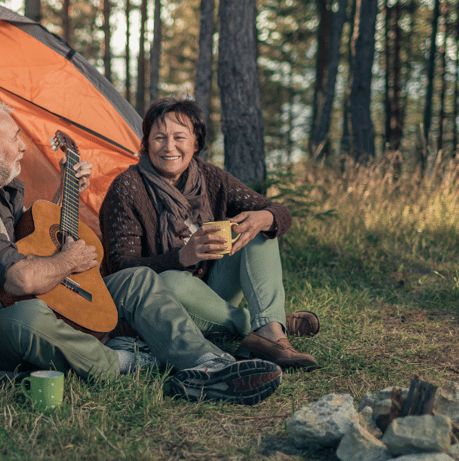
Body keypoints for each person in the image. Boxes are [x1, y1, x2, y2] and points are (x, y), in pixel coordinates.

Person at [0, 101, 283, 406]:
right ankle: (126, 361)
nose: (22, 148)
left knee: (137, 279)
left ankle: (207, 363)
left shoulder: (0, 192)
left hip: (33, 296)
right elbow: (18, 279)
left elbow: (31, 244)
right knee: (32, 317)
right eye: (14, 138)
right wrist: (69, 260)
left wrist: (65, 193)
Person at [99, 97, 319, 369]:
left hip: (213, 293)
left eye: (180, 137)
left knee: (259, 230)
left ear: (196, 143)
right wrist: (182, 257)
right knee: (170, 281)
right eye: (159, 137)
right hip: (163, 308)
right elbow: (121, 268)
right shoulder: (127, 188)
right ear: (146, 143)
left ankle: (268, 333)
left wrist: (266, 216)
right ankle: (264, 324)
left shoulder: (211, 178)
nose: (169, 147)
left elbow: (279, 213)